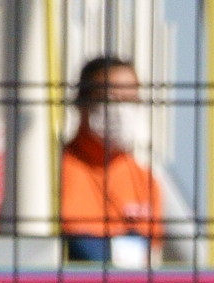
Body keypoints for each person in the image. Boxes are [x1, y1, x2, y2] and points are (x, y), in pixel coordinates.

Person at [60, 55, 190, 267]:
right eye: (110, 99)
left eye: (130, 100)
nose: (121, 111)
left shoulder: (145, 180)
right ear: (82, 103)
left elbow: (146, 255)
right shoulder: (58, 171)